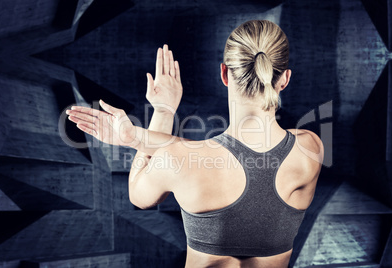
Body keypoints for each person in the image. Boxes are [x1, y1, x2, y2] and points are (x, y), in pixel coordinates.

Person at [66, 20, 323, 268]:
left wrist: (162, 114)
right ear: (285, 78)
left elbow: (139, 195)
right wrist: (138, 137)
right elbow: (223, 155)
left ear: (224, 73)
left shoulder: (179, 159)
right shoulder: (310, 148)